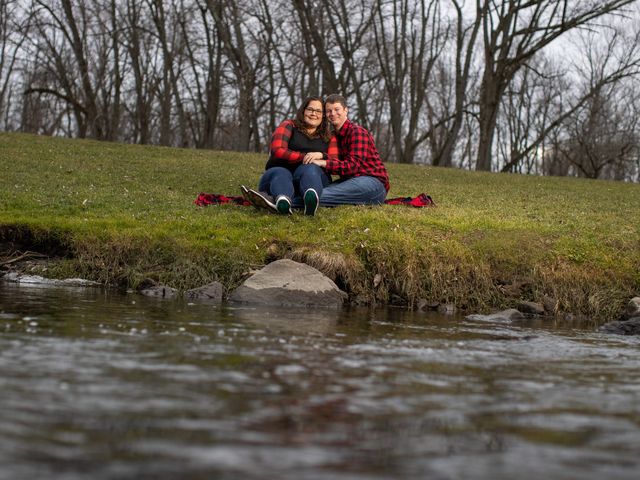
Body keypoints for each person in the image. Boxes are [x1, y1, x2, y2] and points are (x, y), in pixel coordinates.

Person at [243, 96, 337, 216]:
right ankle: (283, 201)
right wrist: (304, 157)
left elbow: (335, 161)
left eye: (318, 111)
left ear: (323, 115)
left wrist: (321, 155)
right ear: (303, 111)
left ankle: (311, 199)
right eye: (310, 109)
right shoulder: (289, 125)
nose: (314, 114)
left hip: (310, 177)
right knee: (281, 173)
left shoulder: (328, 136)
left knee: (310, 169)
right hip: (278, 174)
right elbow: (278, 150)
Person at [302, 93, 389, 206]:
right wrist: (321, 155)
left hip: (372, 182)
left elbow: (353, 166)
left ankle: (287, 202)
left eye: (337, 109)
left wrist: (322, 162)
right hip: (350, 181)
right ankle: (284, 198)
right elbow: (334, 160)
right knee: (315, 190)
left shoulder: (357, 132)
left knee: (320, 195)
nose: (333, 114)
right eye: (329, 111)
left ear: (345, 110)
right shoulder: (332, 136)